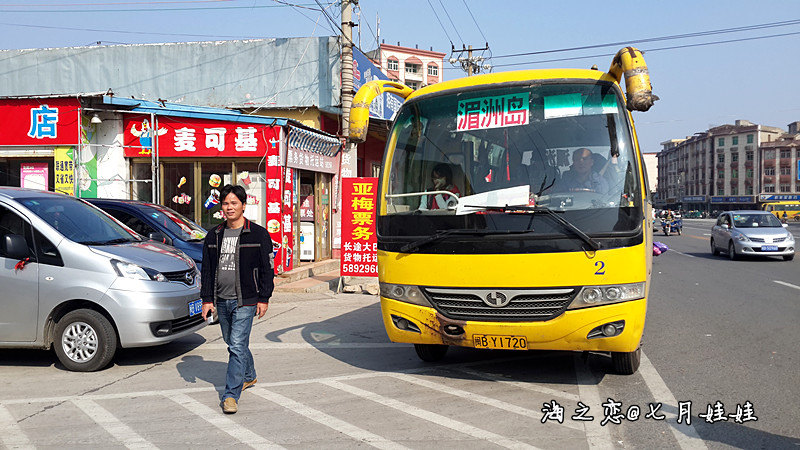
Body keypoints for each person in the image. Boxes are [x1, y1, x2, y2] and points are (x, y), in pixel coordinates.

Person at [201, 184, 274, 414]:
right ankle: (249, 375)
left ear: (243, 205)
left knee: (236, 345)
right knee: (233, 342)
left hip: (247, 299)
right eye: (225, 203)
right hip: (221, 299)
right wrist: (207, 299)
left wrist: (264, 297)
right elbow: (207, 269)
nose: (229, 207)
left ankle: (231, 395)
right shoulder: (214, 235)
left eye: (234, 203)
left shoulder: (259, 234)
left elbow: (267, 269)